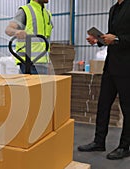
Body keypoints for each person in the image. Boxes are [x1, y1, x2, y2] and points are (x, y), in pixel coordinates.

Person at [78, 0, 130, 160]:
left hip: (127, 67)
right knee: (103, 105)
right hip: (110, 66)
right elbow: (111, 37)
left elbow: (118, 38)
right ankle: (99, 141)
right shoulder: (114, 8)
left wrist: (117, 40)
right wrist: (98, 40)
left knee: (127, 109)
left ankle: (124, 146)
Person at [5, 0, 53, 74]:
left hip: (43, 62)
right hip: (28, 63)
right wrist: (16, 32)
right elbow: (8, 29)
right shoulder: (25, 11)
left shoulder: (47, 14)